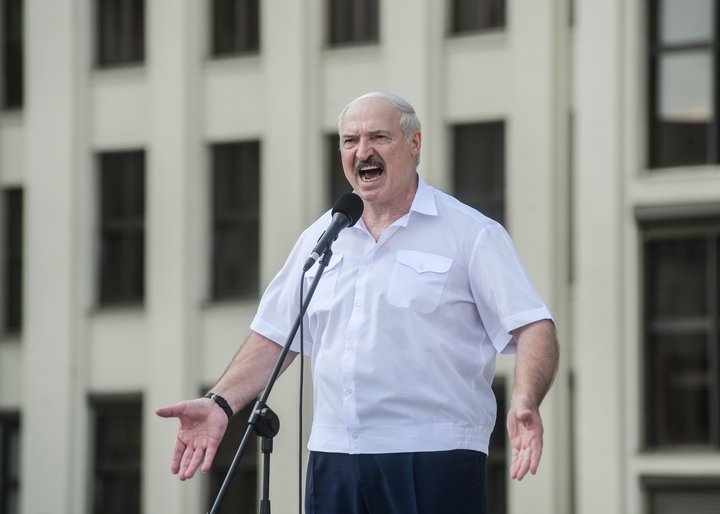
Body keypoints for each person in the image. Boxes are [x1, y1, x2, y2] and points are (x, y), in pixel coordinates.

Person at [156, 92, 559, 514]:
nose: (362, 151)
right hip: (334, 459)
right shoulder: (321, 238)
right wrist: (220, 402)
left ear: (414, 144)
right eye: (349, 141)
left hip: (434, 455)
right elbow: (275, 337)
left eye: (378, 137)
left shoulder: (469, 233)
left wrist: (526, 400)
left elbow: (533, 326)